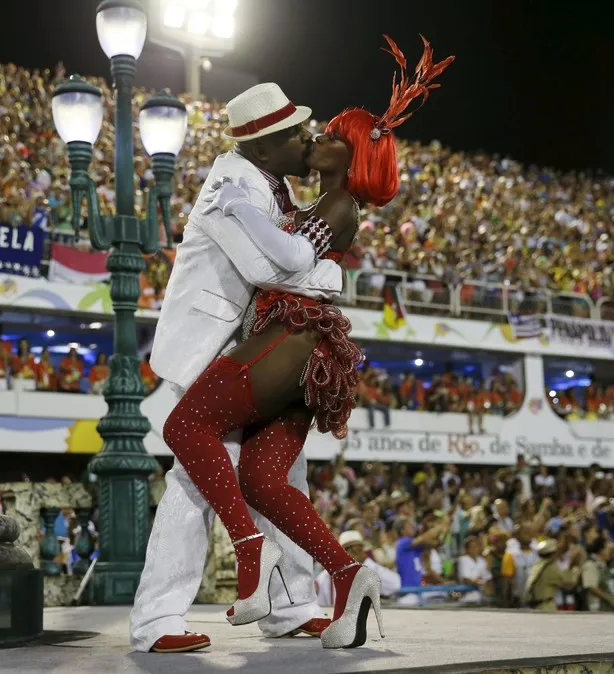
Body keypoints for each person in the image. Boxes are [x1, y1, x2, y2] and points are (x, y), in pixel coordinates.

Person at [162, 36, 453, 649]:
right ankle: (348, 575)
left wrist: (236, 212)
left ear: (347, 157)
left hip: (291, 344)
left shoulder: (339, 205)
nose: (315, 136)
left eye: (327, 136)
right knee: (267, 483)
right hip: (299, 351)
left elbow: (290, 260)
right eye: (312, 132)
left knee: (184, 428)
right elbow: (308, 265)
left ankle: (250, 551)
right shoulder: (322, 199)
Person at [131, 82, 346, 654]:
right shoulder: (232, 185)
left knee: (282, 478)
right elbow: (269, 268)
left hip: (248, 352)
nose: (308, 140)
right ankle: (156, 621)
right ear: (266, 143)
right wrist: (328, 274)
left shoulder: (269, 183)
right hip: (211, 348)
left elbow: (295, 262)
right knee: (196, 483)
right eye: (298, 134)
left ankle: (291, 606)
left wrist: (320, 268)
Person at [315, 531, 401, 606]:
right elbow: (322, 608)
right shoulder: (326, 577)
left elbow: (395, 584)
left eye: (358, 549)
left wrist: (365, 562)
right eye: (348, 549)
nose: (353, 554)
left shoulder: (368, 569)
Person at [522, 539, 583, 611]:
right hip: (545, 606)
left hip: (534, 605)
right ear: (553, 553)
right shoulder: (550, 567)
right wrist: (575, 566)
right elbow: (568, 582)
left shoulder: (538, 565)